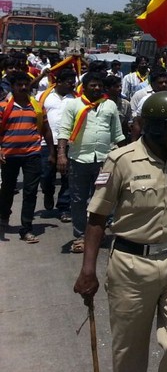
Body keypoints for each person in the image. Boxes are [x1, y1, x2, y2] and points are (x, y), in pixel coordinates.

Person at [73, 91, 167, 372]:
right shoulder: (121, 161)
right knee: (129, 351)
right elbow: (97, 218)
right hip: (131, 265)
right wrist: (88, 270)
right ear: (156, 127)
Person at [56, 71, 126, 253]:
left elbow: (117, 134)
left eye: (99, 85)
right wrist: (61, 154)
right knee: (78, 199)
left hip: (104, 160)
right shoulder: (74, 105)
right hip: (79, 159)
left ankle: (100, 233)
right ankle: (80, 235)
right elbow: (64, 130)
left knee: (104, 198)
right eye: (93, 85)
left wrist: (127, 156)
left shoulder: (109, 105)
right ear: (84, 87)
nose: (96, 88)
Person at [0, 71, 55, 242]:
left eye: (26, 84)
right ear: (12, 87)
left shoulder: (37, 106)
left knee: (31, 192)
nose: (23, 87)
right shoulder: (3, 106)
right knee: (7, 189)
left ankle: (26, 228)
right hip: (9, 155)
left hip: (32, 154)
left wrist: (52, 152)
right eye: (19, 85)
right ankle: (3, 216)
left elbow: (46, 129)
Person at [40, 67, 76, 222]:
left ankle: (64, 207)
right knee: (46, 175)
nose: (72, 85)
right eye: (69, 82)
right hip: (46, 143)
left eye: (74, 82)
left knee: (68, 177)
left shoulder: (75, 98)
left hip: (69, 143)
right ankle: (48, 193)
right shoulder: (44, 96)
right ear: (59, 82)